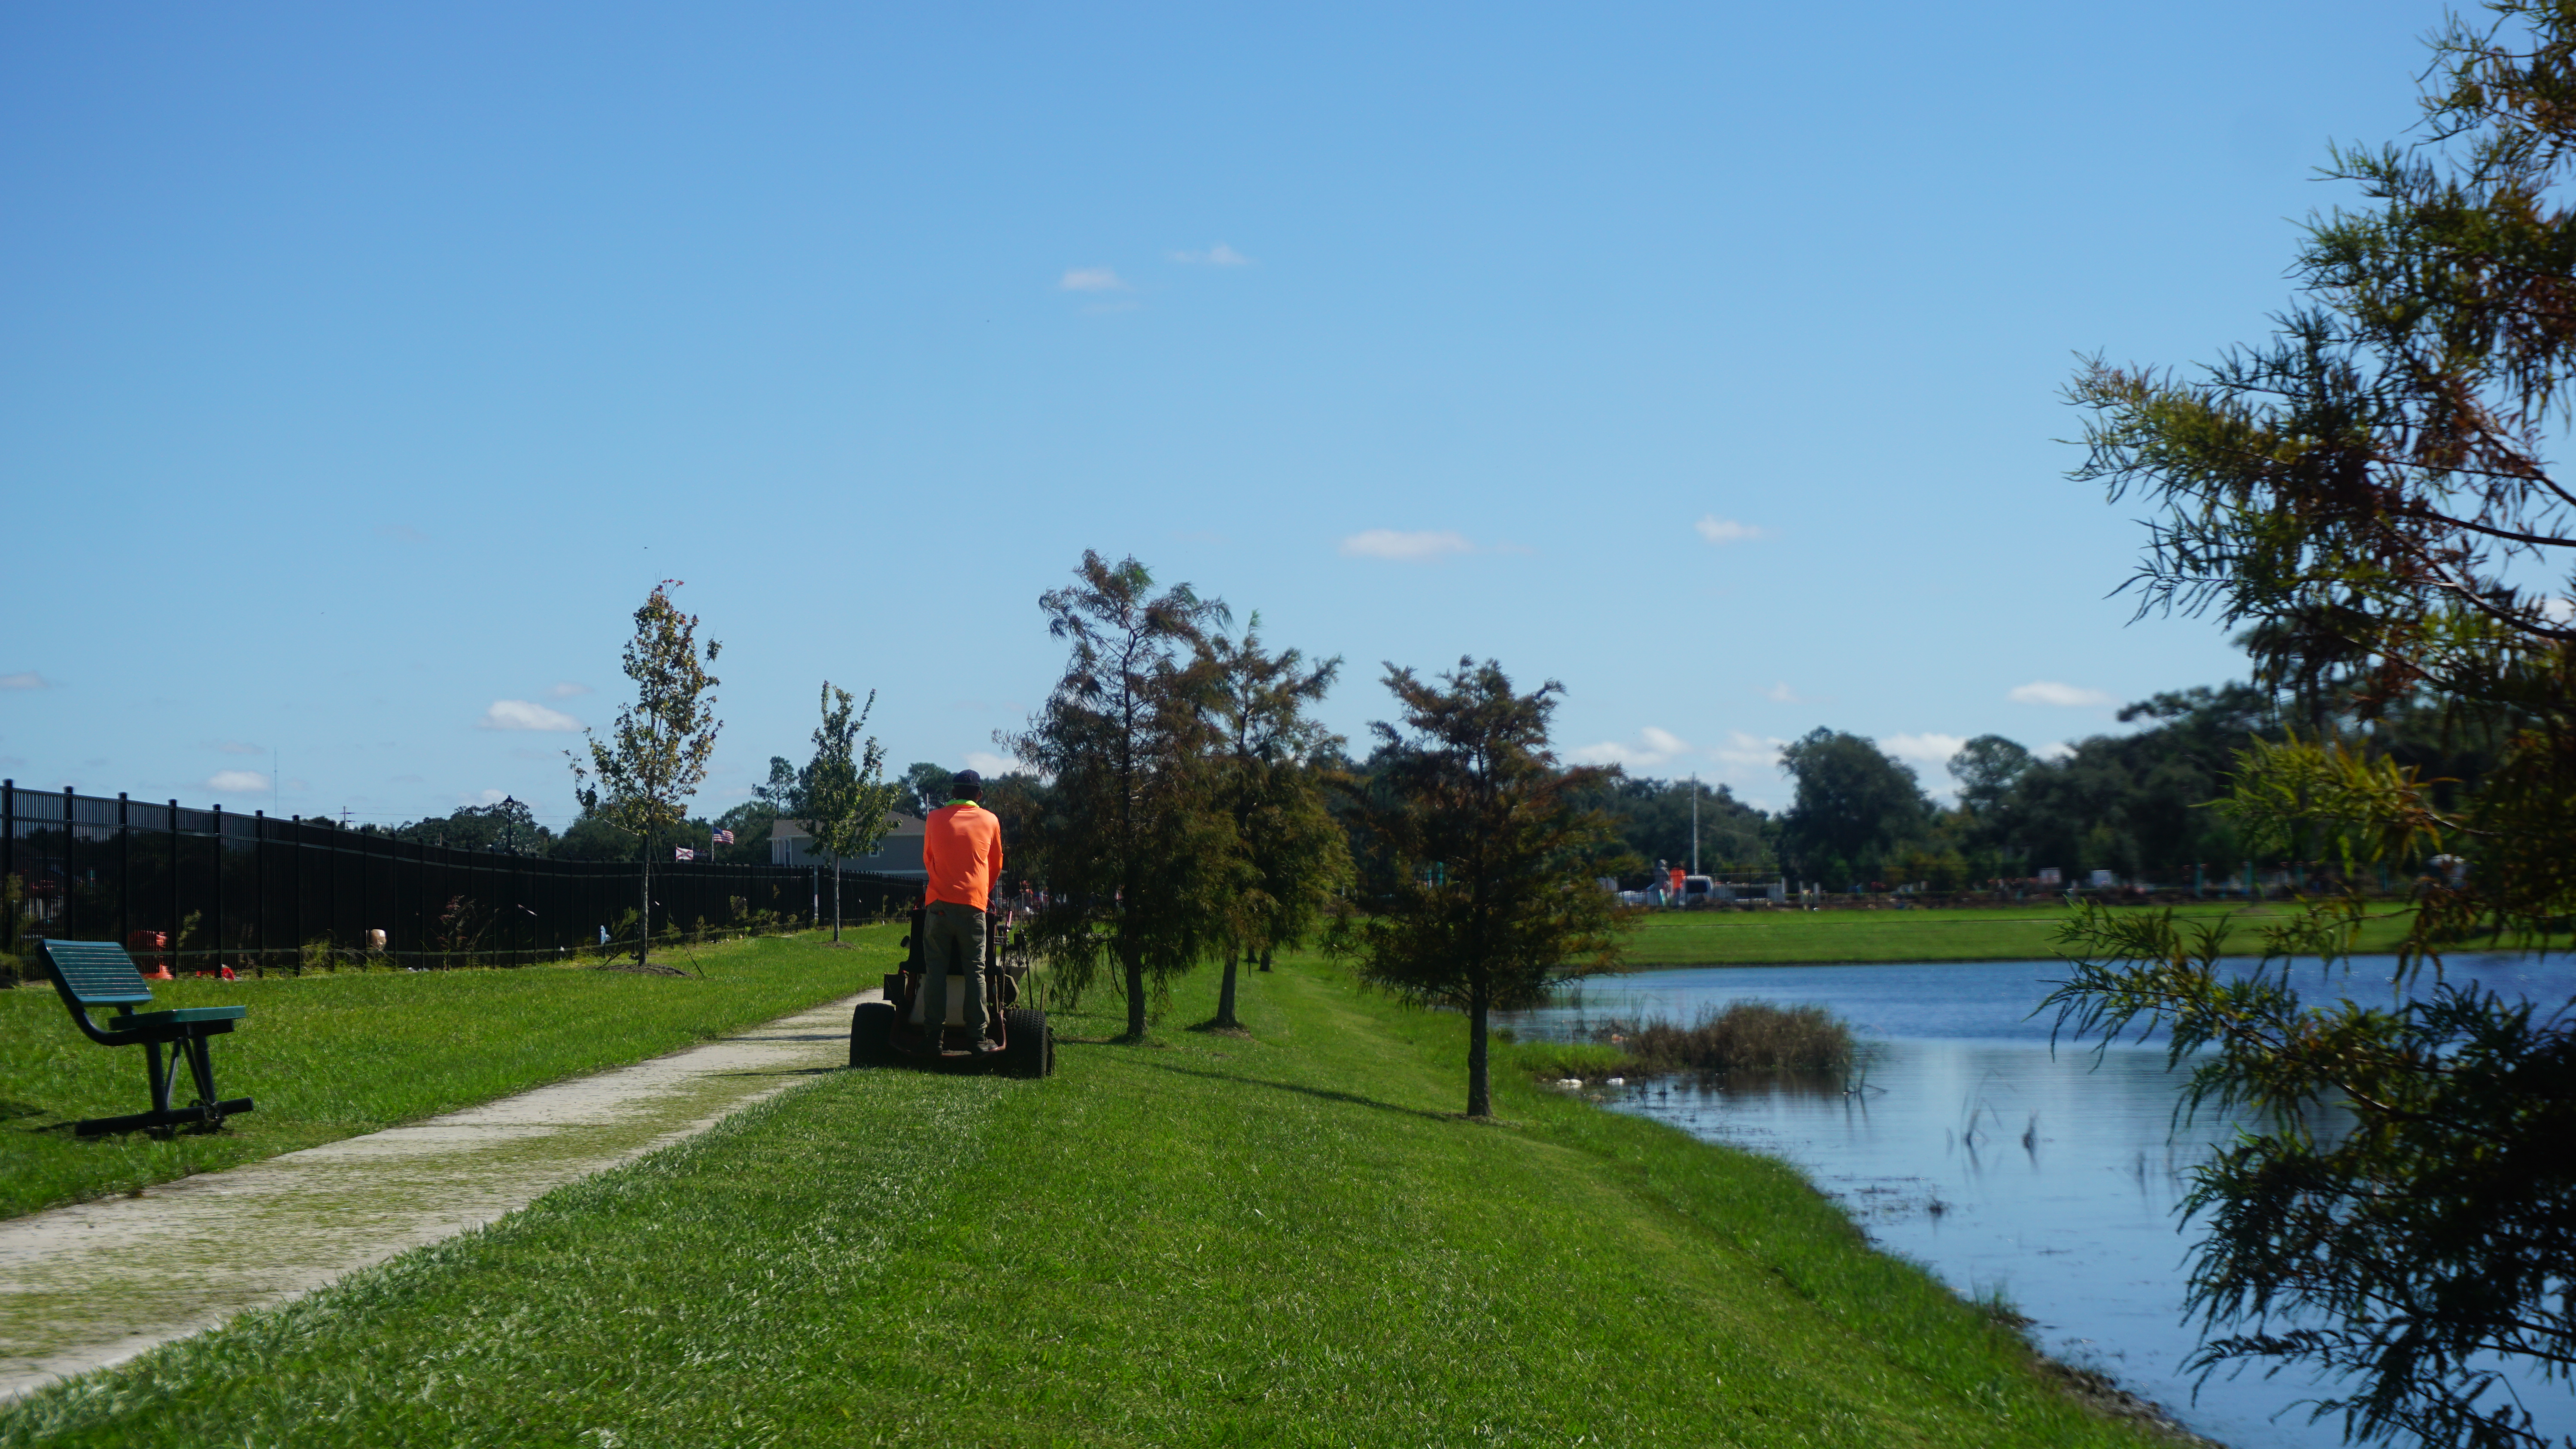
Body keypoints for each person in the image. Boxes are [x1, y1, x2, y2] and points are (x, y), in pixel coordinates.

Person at [919, 769, 1005, 1054]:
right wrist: (983, 894)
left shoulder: (933, 819)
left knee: (935, 972)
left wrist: (941, 884)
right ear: (979, 795)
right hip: (973, 906)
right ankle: (977, 1037)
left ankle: (933, 1037)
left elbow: (928, 858)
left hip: (939, 905)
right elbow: (995, 865)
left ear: (953, 794)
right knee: (976, 972)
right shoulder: (991, 821)